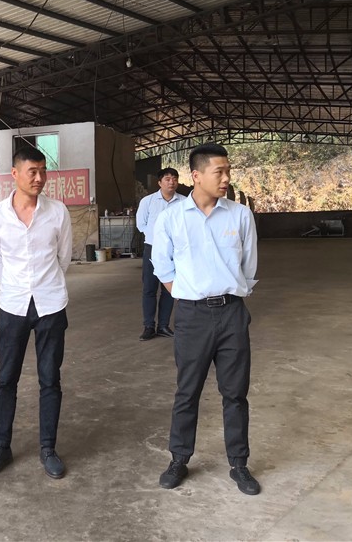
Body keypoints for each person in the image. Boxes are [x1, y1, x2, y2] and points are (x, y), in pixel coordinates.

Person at [151, 143, 261, 495]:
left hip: (232, 314)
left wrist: (230, 294)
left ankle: (239, 464)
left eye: (228, 171)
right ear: (196, 176)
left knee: (235, 393)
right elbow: (162, 265)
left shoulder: (240, 215)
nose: (226, 178)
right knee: (187, 391)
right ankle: (179, 459)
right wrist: (186, 293)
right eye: (219, 172)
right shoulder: (172, 218)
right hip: (191, 315)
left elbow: (249, 266)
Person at [0, 147, 73, 480]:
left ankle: (48, 449)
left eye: (43, 171)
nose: (39, 178)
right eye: (32, 171)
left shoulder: (58, 211)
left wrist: (44, 284)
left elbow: (64, 258)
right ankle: (1, 447)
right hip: (13, 306)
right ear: (15, 174)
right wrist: (16, 284)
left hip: (51, 305)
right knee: (7, 378)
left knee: (50, 378)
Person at [135, 167, 185, 341]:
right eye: (167, 179)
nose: (172, 182)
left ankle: (163, 325)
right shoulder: (148, 201)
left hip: (175, 251)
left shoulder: (184, 202)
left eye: (174, 179)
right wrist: (155, 237)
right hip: (152, 248)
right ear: (159, 182)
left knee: (169, 289)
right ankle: (149, 326)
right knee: (149, 288)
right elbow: (141, 224)